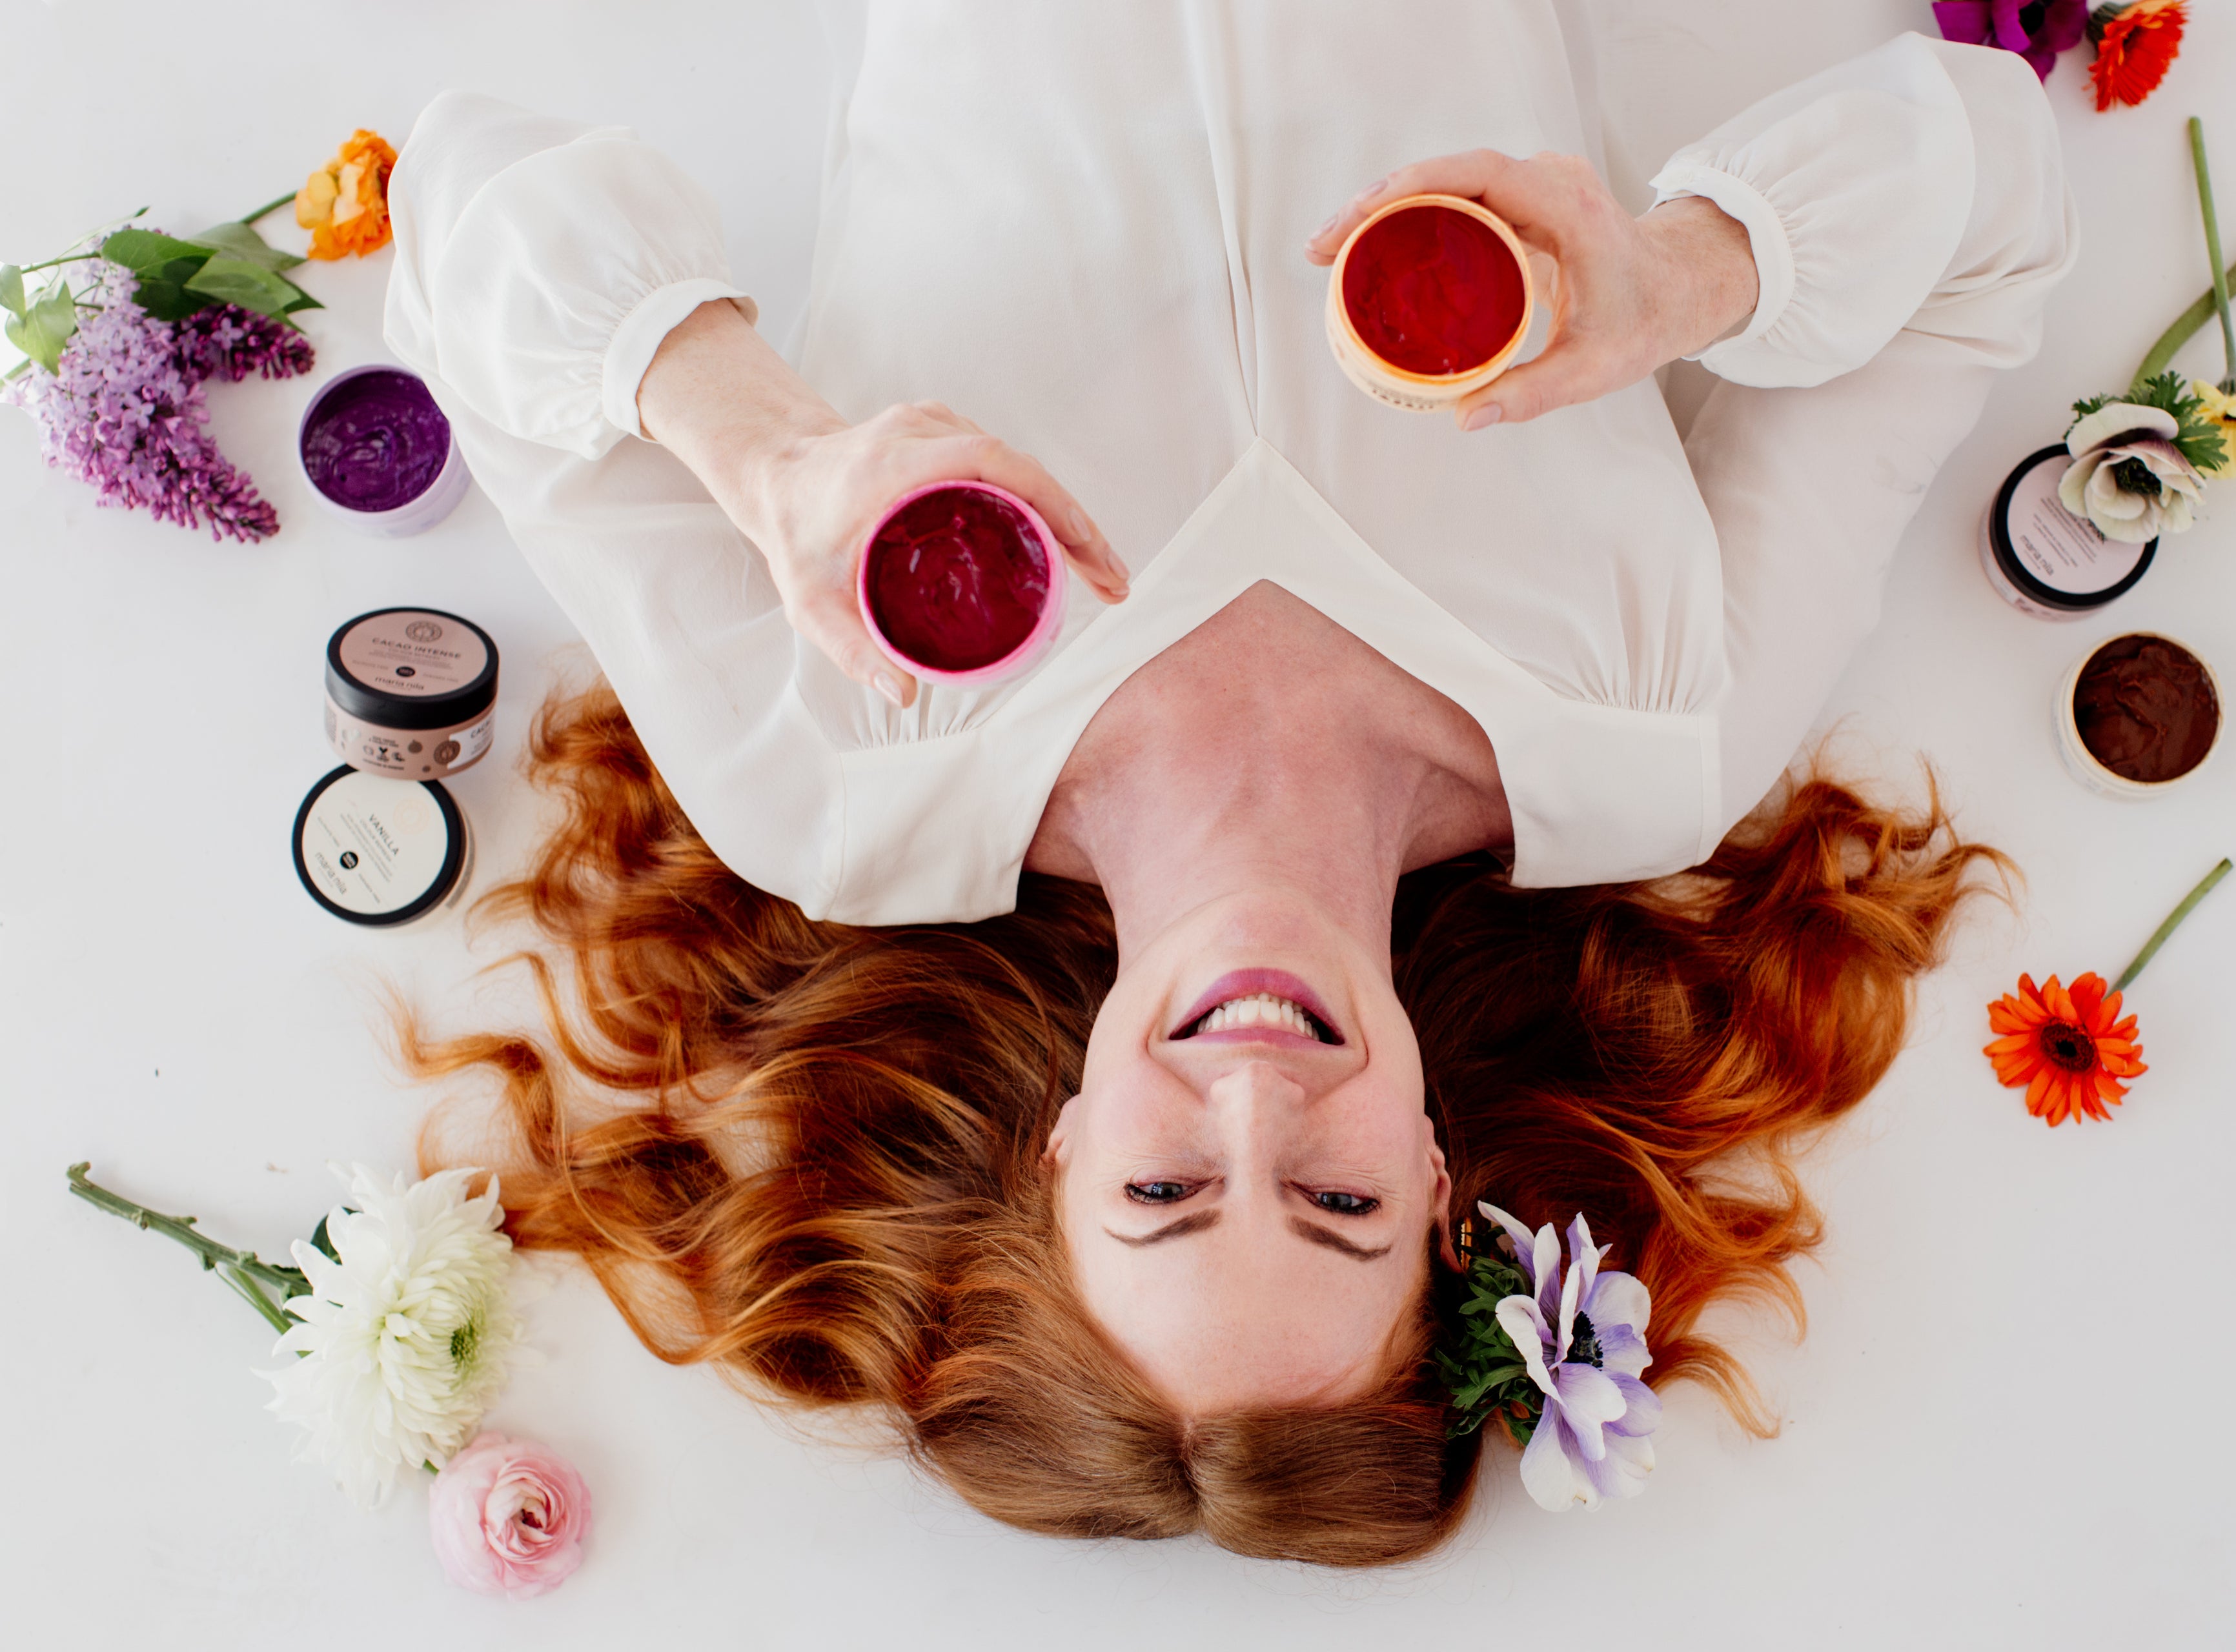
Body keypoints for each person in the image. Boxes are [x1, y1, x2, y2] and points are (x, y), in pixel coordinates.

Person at [389, 3, 2071, 1565]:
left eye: (1167, 1191)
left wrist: (766, 452)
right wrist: (1676, 280)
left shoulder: (838, 782)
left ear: (1060, 1152)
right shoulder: (1649, 743)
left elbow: (458, 192)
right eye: (1334, 1202)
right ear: (1431, 1184)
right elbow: (1994, 176)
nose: (1257, 1101)